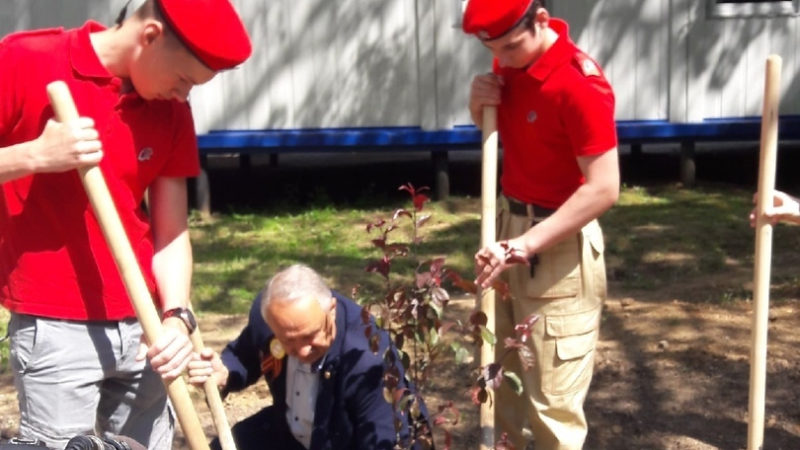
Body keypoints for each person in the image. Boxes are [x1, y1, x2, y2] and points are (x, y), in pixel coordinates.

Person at [0, 0, 251, 447]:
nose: (184, 96)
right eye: (183, 80)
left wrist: (176, 316)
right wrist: (33, 156)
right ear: (151, 35)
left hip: (147, 328)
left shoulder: (169, 109)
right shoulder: (24, 59)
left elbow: (171, 232)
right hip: (56, 326)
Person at [462, 0, 619, 449]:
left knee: (552, 404)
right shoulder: (511, 62)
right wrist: (478, 106)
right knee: (500, 385)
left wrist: (524, 244)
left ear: (542, 21)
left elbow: (604, 188)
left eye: (511, 47)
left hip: (558, 249)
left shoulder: (578, 84)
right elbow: (503, 134)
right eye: (495, 50)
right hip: (509, 230)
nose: (503, 59)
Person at [187, 264, 432, 450]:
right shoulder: (269, 318)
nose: (303, 351)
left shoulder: (370, 360)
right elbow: (243, 356)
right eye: (288, 340)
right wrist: (224, 373)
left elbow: (384, 441)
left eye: (309, 336)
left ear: (332, 310)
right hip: (290, 433)